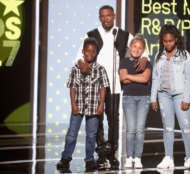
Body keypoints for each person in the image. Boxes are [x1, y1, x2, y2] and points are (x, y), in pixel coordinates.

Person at [75, 5, 149, 169]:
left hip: (116, 84)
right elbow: (79, 56)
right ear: (99, 18)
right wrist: (81, 63)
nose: (106, 18)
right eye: (102, 16)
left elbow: (140, 48)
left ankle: (112, 153)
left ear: (114, 16)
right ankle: (101, 152)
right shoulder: (91, 34)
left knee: (113, 119)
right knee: (97, 119)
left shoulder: (123, 34)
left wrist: (144, 57)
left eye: (108, 15)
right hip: (96, 85)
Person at [150, 24, 190, 170]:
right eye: (165, 41)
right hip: (163, 95)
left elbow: (189, 78)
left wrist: (186, 98)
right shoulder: (158, 56)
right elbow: (155, 77)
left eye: (170, 41)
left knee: (186, 127)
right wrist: (153, 98)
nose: (168, 44)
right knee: (168, 128)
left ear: (176, 40)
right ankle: (168, 157)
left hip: (180, 95)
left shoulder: (185, 55)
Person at [56, 38, 109, 172]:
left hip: (93, 107)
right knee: (71, 134)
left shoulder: (100, 70)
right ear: (83, 52)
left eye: (93, 51)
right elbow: (72, 87)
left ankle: (89, 160)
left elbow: (103, 88)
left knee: (91, 135)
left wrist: (101, 104)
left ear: (96, 53)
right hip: (78, 106)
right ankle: (65, 158)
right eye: (87, 51)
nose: (90, 53)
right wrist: (73, 105)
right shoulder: (75, 69)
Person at [119, 34, 152, 169]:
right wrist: (137, 76)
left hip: (144, 98)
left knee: (139, 130)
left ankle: (138, 157)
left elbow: (145, 79)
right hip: (129, 98)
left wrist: (129, 76)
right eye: (134, 46)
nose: (136, 50)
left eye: (140, 48)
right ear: (130, 47)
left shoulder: (147, 63)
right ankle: (129, 157)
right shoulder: (124, 61)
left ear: (143, 50)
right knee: (131, 130)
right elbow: (123, 79)